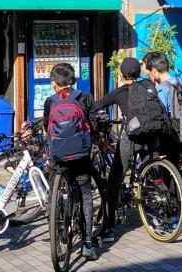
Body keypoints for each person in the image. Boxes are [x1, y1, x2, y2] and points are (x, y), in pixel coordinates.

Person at [43, 62, 99, 261]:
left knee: (53, 191)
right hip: (81, 156)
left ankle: (56, 228)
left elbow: (46, 127)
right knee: (85, 193)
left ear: (53, 84)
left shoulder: (50, 102)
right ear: (73, 81)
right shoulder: (85, 97)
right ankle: (87, 244)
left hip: (58, 158)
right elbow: (93, 125)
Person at [94, 57, 142, 244]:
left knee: (114, 180)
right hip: (152, 136)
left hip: (132, 137)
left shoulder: (119, 92)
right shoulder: (149, 87)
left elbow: (98, 104)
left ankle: (109, 228)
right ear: (138, 72)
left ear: (122, 74)